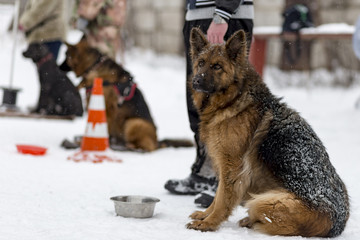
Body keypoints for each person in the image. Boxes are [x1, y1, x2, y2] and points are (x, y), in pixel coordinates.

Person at [164, 0, 254, 207]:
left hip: (225, 15)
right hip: (199, 15)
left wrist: (222, 14)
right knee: (199, 102)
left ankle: (228, 181)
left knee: (228, 105)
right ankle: (206, 173)